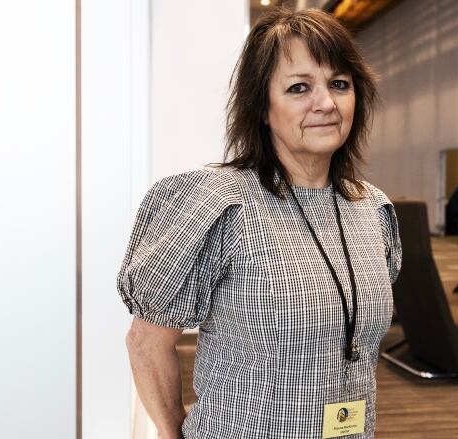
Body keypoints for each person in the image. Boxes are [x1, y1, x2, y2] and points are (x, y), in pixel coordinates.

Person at [118, 8, 401, 439]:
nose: (325, 103)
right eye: (299, 88)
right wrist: (173, 432)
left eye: (339, 84)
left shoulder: (371, 208)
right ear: (263, 109)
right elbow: (146, 342)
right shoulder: (221, 204)